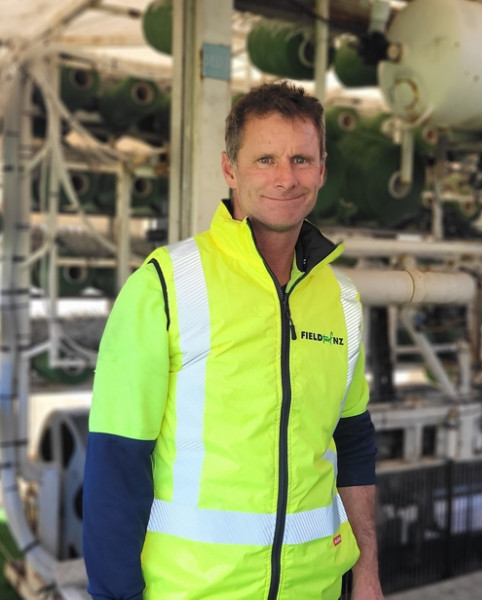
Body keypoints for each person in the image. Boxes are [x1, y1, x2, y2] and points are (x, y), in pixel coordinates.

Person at [83, 81, 383, 600]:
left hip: (314, 589)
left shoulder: (344, 301)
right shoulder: (165, 285)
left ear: (323, 169)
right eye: (264, 159)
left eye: (301, 160)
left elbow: (353, 445)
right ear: (230, 169)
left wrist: (367, 574)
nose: (285, 178)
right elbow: (116, 461)